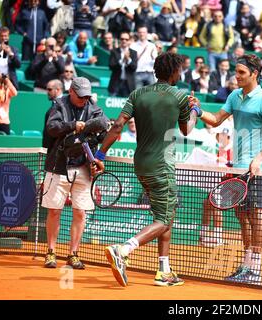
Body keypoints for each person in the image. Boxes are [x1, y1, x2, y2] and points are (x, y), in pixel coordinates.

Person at [93, 52, 198, 287]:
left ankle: (164, 271)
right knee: (163, 218)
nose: (180, 73)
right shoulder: (180, 97)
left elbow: (118, 124)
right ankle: (123, 249)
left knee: (165, 216)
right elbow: (187, 130)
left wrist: (100, 153)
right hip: (162, 166)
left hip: (140, 164)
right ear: (173, 72)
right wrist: (195, 113)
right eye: (179, 69)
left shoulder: (137, 94)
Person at [191, 54, 262, 285]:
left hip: (257, 168)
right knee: (241, 216)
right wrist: (199, 111)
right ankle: (246, 266)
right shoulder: (234, 96)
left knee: (256, 215)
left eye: (242, 72)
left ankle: (257, 270)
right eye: (236, 71)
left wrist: (260, 158)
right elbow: (216, 120)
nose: (237, 76)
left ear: (254, 74)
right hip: (238, 166)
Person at [42, 77, 109, 269]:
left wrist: (98, 158)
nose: (84, 100)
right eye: (80, 96)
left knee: (80, 213)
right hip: (59, 166)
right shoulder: (59, 105)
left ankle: (73, 254)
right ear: (71, 91)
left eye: (87, 96)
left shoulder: (94, 108)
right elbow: (52, 128)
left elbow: (104, 127)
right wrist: (74, 125)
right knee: (55, 211)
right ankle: (51, 252)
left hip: (84, 168)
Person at [108, 31, 137, 97]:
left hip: (128, 84)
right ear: (119, 40)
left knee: (127, 106)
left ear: (129, 41)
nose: (124, 41)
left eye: (126, 39)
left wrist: (128, 60)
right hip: (115, 83)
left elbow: (134, 67)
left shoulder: (133, 53)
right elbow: (111, 66)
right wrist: (122, 61)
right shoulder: (114, 51)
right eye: (122, 39)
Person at [0, 26, 21, 91]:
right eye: (1, 36)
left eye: (5, 36)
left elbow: (18, 65)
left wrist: (11, 55)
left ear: (8, 37)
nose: (3, 38)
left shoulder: (14, 49)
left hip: (10, 82)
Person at [42, 79, 64, 151]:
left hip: (57, 149)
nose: (47, 92)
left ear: (57, 90)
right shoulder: (55, 104)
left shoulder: (63, 105)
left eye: (50, 89)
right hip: (51, 148)